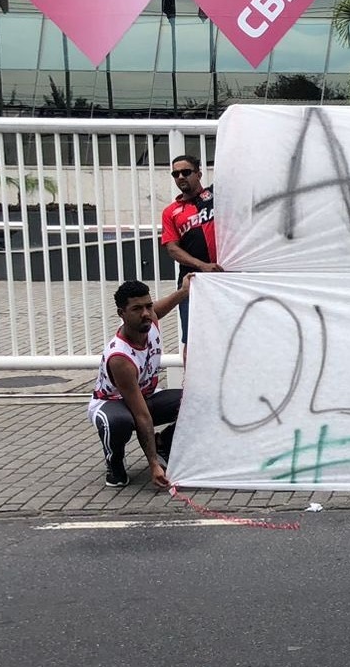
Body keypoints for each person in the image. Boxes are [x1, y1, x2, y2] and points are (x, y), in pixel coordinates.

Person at [89, 276, 191, 488]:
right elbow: (141, 414)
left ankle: (164, 443)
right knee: (118, 422)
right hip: (113, 403)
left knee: (198, 401)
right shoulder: (120, 358)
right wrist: (153, 464)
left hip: (147, 396)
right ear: (122, 314)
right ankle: (114, 462)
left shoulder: (148, 322)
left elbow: (159, 310)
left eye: (148, 306)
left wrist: (183, 292)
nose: (146, 313)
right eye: (137, 309)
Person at [159, 155, 220, 344]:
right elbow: (172, 249)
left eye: (186, 172)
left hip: (226, 277)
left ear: (199, 174)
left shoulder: (218, 196)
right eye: (175, 174)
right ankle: (192, 374)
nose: (180, 177)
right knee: (193, 340)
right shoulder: (171, 212)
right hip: (192, 282)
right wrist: (202, 266)